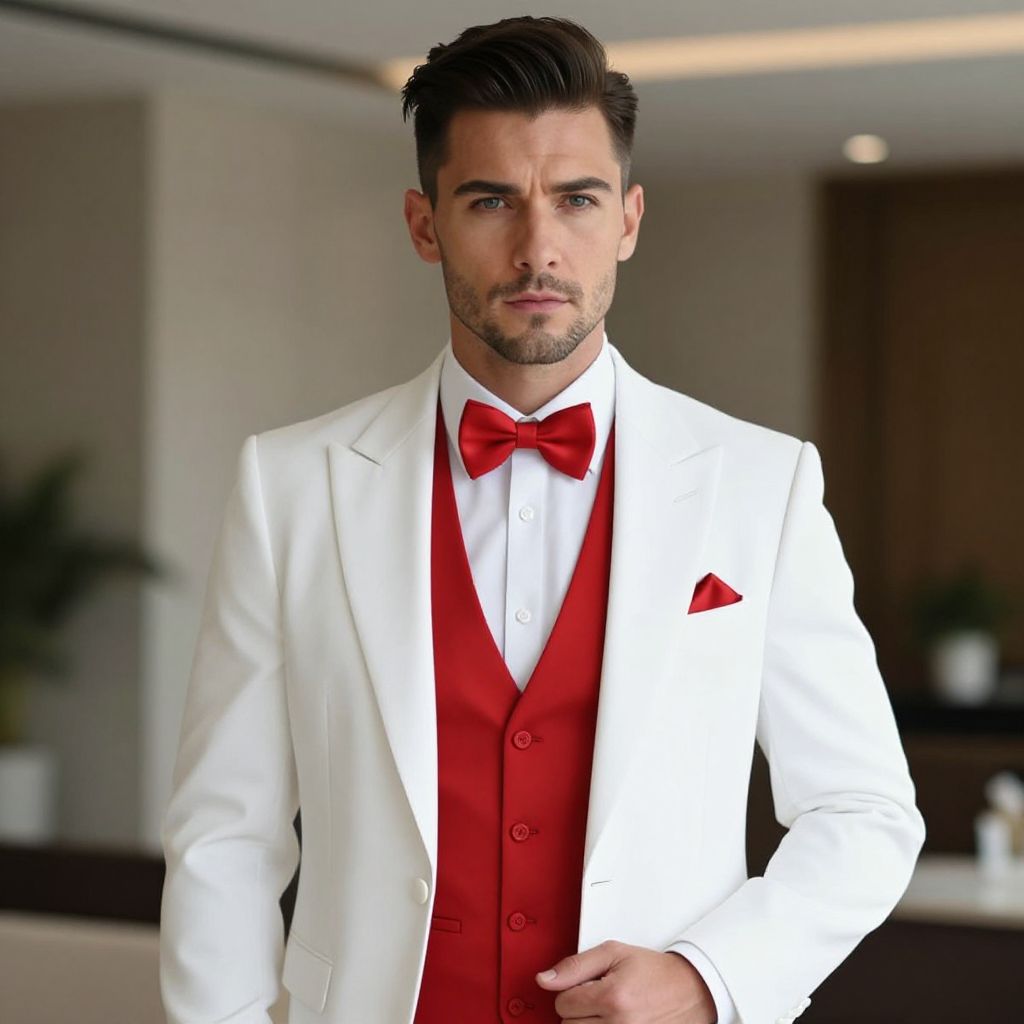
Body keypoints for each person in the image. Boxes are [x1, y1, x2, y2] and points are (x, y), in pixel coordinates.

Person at [158, 15, 925, 1024]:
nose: (538, 247)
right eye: (490, 201)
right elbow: (227, 836)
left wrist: (707, 975)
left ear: (629, 219)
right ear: (424, 223)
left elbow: (862, 811)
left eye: (576, 200)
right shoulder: (291, 485)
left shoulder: (759, 484)